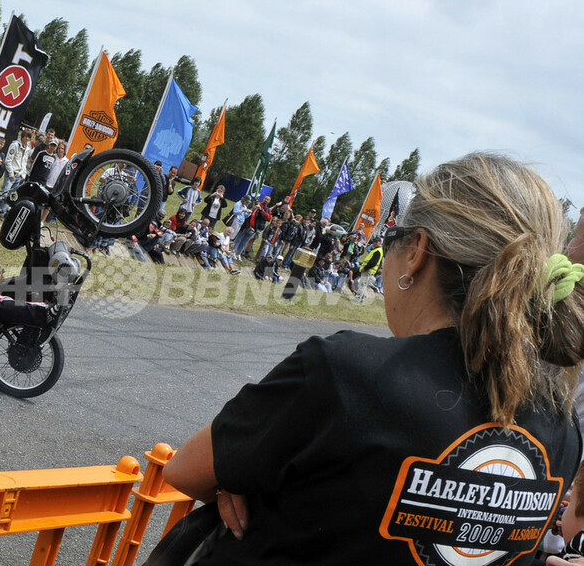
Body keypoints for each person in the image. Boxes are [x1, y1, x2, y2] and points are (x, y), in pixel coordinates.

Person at [161, 153, 584, 566]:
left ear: (417, 250)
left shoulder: (347, 372)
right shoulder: (562, 428)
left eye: (391, 238)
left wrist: (240, 482)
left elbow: (185, 471)